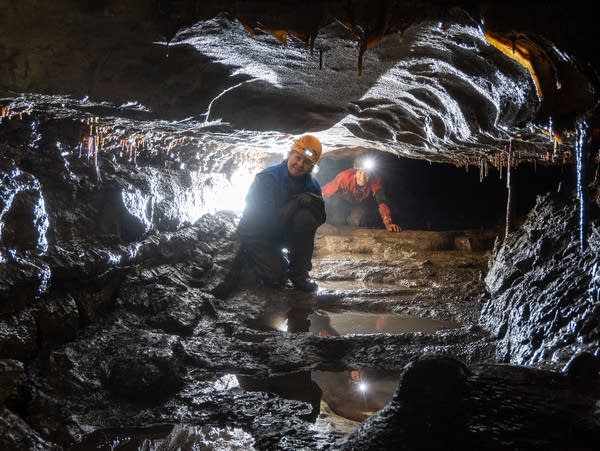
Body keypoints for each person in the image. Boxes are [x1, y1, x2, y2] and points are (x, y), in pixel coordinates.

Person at [234, 134, 326, 292]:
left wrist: (315, 203)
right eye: (297, 157)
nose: (299, 164)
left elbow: (320, 219)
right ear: (290, 154)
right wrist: (297, 201)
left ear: (311, 167)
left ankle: (299, 273)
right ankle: (267, 260)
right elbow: (267, 222)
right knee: (276, 278)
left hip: (281, 233)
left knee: (305, 217)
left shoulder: (312, 186)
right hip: (257, 233)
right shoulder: (267, 178)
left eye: (306, 162)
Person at [322, 156, 401, 232]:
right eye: (360, 172)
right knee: (336, 218)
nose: (362, 178)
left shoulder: (375, 179)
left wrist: (388, 223)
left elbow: (381, 201)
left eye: (366, 173)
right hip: (342, 203)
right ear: (355, 171)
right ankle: (335, 221)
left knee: (356, 221)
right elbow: (324, 193)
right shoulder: (344, 177)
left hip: (359, 203)